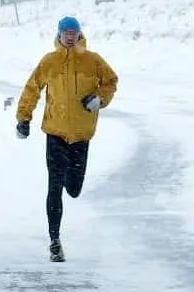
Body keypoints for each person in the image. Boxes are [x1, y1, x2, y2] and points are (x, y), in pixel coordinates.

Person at [15, 16, 119, 262]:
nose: (69, 36)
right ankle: (54, 241)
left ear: (79, 34)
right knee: (54, 186)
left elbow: (111, 82)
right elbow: (32, 89)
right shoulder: (49, 62)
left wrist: (99, 99)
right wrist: (23, 118)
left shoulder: (93, 60)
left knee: (73, 188)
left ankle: (67, 182)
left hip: (81, 135)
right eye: (65, 33)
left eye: (73, 32)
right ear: (59, 35)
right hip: (55, 132)